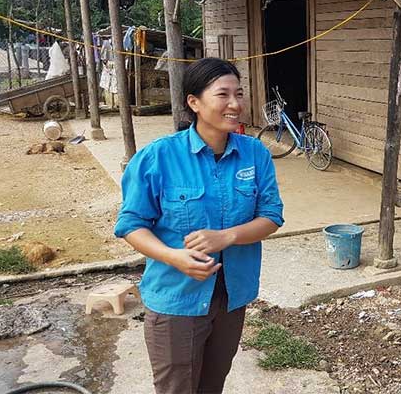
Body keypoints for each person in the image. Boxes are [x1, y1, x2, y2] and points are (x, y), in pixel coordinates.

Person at [114, 57, 284, 394]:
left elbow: (271, 216)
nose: (235, 104)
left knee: (212, 384)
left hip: (231, 296)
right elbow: (131, 223)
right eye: (223, 95)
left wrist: (228, 236)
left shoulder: (255, 154)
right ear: (194, 102)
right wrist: (173, 257)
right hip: (176, 299)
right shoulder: (158, 157)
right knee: (177, 387)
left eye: (239, 93)